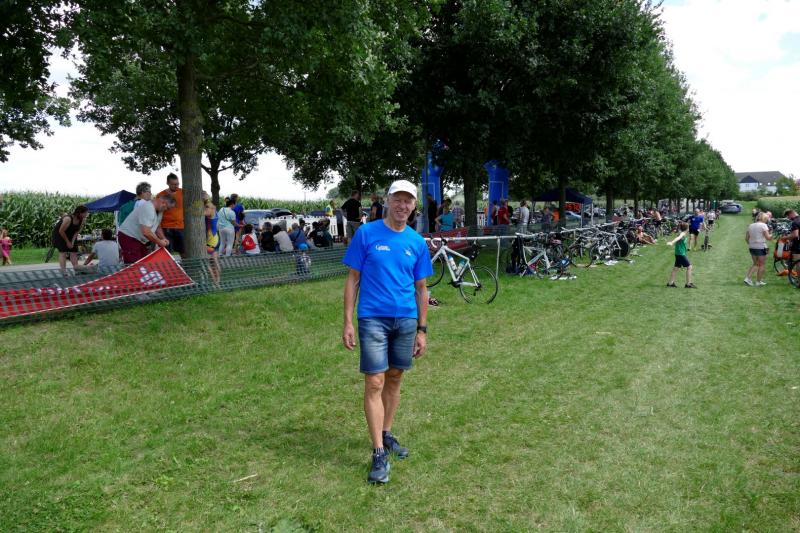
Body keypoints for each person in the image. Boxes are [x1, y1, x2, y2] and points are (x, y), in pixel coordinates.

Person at [342, 179, 432, 484]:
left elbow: (421, 289)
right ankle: (378, 452)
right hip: (373, 319)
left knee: (394, 378)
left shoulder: (417, 243)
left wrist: (422, 329)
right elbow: (353, 279)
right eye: (398, 199)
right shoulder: (366, 234)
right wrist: (348, 321)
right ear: (388, 201)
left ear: (414, 206)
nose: (402, 206)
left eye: (408, 201)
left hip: (405, 320)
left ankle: (386, 432)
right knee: (374, 382)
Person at [117, 195, 174, 264]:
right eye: (167, 208)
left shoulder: (160, 211)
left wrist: (163, 238)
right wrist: (160, 242)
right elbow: (146, 232)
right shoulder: (148, 208)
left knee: (143, 263)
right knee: (134, 264)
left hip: (139, 240)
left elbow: (157, 226)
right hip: (128, 237)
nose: (166, 210)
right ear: (163, 203)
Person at [52, 205, 89, 273]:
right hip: (60, 235)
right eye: (85, 213)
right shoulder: (68, 219)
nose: (87, 214)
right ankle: (63, 271)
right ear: (79, 213)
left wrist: (72, 242)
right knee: (63, 251)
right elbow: (61, 231)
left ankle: (76, 268)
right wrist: (67, 242)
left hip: (71, 234)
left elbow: (77, 232)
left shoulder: (82, 220)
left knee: (73, 250)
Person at [156, 173, 185, 257]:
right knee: (167, 252)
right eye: (173, 184)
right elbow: (156, 212)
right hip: (166, 227)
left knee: (184, 251)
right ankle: (169, 265)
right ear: (167, 183)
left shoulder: (183, 192)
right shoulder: (160, 195)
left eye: (177, 184)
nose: (176, 186)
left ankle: (185, 265)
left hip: (180, 226)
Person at [744, 212, 772, 286]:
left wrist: (751, 244)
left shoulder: (751, 225)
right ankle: (757, 281)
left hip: (752, 247)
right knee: (761, 264)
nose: (767, 221)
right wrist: (772, 234)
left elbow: (746, 238)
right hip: (761, 246)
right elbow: (768, 238)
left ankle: (749, 279)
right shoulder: (764, 225)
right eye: (767, 219)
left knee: (756, 264)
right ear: (764, 219)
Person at [667, 221, 696, 288]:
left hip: (679, 253)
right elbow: (678, 238)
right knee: (689, 267)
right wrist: (672, 242)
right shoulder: (682, 234)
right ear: (687, 228)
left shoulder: (683, 233)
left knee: (676, 268)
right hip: (680, 254)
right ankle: (688, 284)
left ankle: (670, 283)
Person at [203, 191, 220, 284]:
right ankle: (217, 283)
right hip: (215, 238)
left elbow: (199, 214)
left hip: (211, 241)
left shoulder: (209, 206)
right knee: (214, 263)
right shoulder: (212, 206)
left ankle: (215, 283)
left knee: (208, 263)